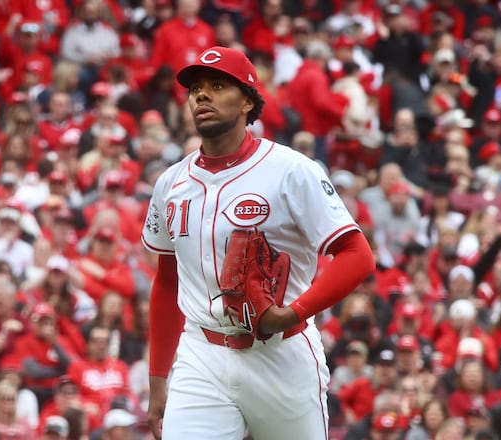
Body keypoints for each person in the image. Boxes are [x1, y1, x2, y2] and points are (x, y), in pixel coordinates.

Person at [141, 46, 374, 440]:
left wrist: (293, 312)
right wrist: (158, 378)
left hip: (281, 354)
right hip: (202, 353)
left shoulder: (291, 170)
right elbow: (167, 281)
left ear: (248, 100)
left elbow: (357, 256)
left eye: (217, 85)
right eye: (195, 88)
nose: (202, 95)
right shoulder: (170, 183)